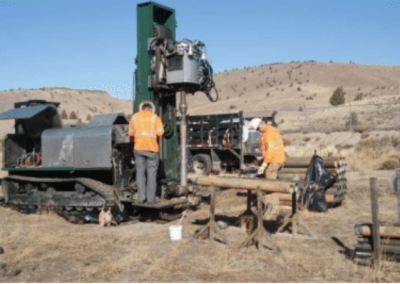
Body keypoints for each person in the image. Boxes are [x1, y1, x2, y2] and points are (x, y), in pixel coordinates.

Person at [128, 101, 164, 204]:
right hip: (151, 150)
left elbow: (130, 134)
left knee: (140, 173)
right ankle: (151, 199)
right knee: (151, 174)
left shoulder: (134, 117)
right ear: (151, 109)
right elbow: (160, 133)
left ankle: (141, 198)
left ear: (141, 108)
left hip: (138, 149)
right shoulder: (155, 118)